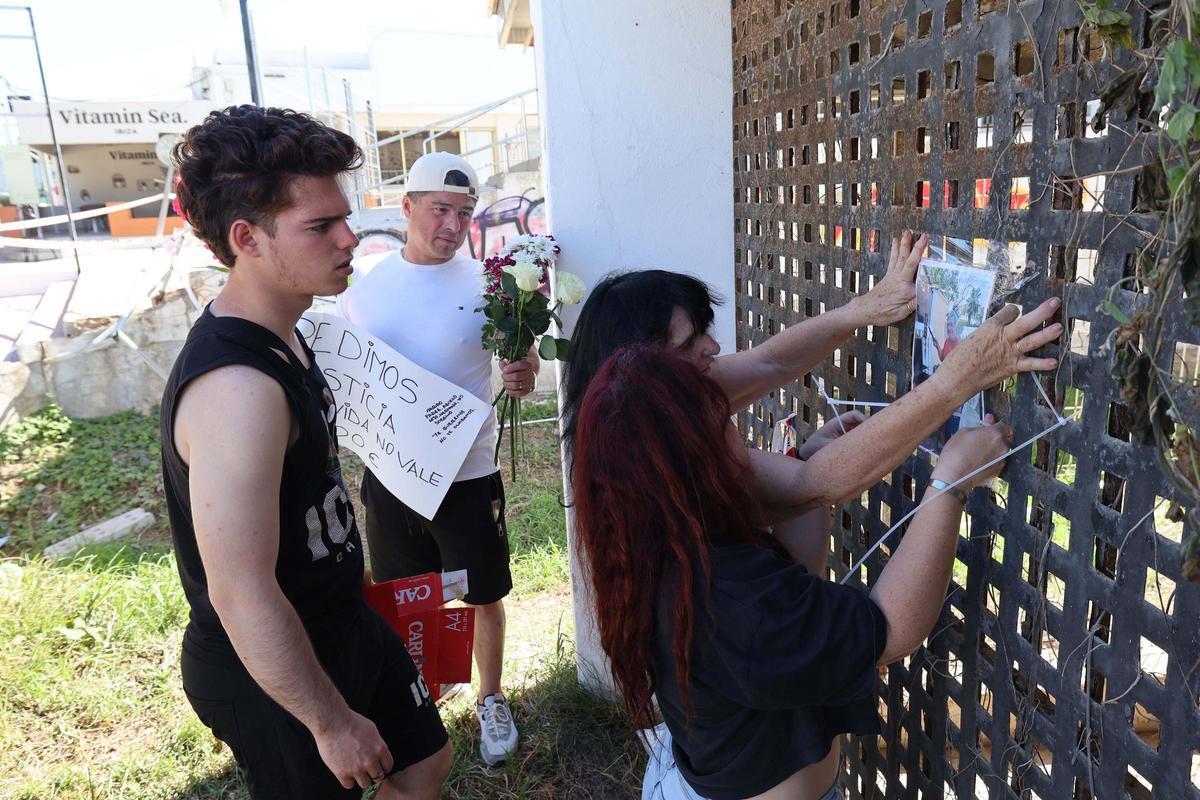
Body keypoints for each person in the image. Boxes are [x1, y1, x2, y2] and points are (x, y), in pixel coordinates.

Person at [571, 299, 1060, 798]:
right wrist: (951, 481)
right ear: (692, 460)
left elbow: (796, 573)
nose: (738, 437)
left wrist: (807, 464)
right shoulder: (726, 598)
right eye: (724, 424)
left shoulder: (660, 544)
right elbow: (890, 628)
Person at [160, 105, 451, 799]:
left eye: (344, 218)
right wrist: (330, 723)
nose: (350, 238)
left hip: (340, 618)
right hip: (268, 662)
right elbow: (240, 590)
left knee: (423, 764)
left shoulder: (287, 329)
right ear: (247, 239)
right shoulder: (237, 390)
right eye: (321, 226)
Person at [337, 151, 534, 765]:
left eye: (465, 213)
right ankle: (420, 701)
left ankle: (491, 697)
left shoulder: (489, 285)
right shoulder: (365, 288)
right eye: (440, 210)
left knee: (483, 593)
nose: (453, 225)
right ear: (407, 207)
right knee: (406, 597)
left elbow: (522, 359)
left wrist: (523, 371)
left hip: (468, 473)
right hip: (392, 475)